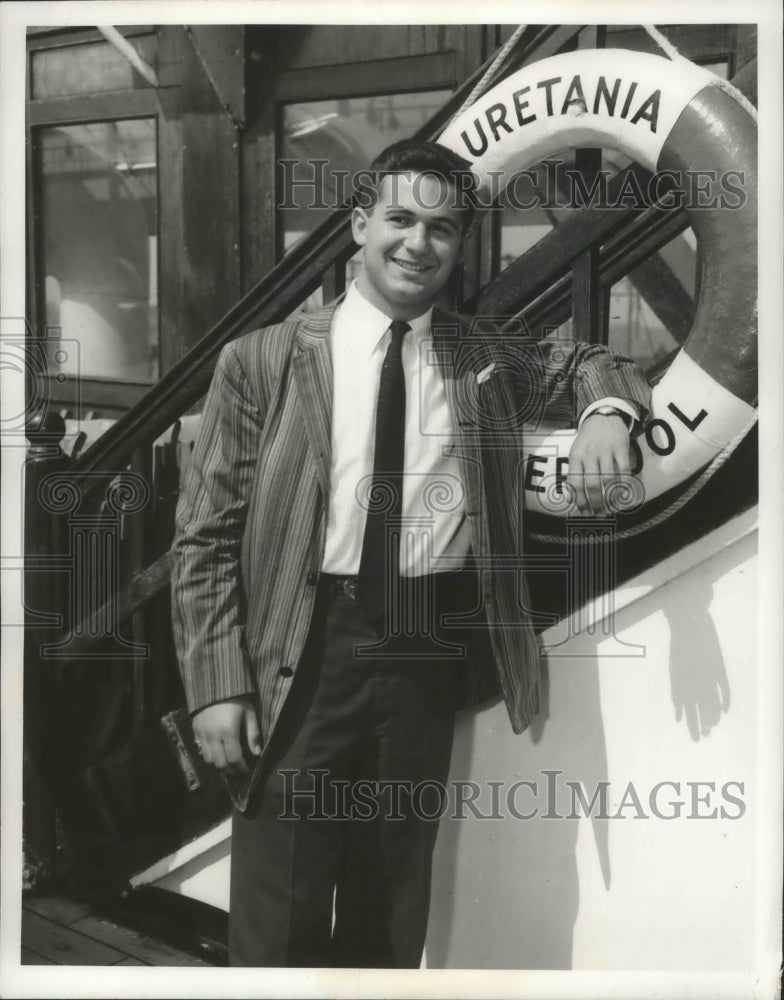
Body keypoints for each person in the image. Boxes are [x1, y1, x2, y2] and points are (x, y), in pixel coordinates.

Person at [170, 139, 651, 968]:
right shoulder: (265, 359)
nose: (417, 243)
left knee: (390, 913)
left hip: (424, 656)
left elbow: (596, 363)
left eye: (442, 228)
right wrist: (217, 687)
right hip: (301, 652)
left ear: (459, 246)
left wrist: (610, 416)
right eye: (400, 218)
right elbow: (205, 537)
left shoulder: (479, 358)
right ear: (361, 224)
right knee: (277, 914)